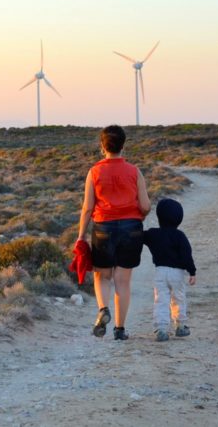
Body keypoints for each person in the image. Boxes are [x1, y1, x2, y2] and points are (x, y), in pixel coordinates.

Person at [75, 125, 151, 340]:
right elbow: (145, 206)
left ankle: (102, 309)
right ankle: (120, 329)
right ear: (123, 145)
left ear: (102, 146)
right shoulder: (135, 172)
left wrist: (81, 235)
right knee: (123, 281)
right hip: (131, 229)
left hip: (103, 229)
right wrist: (141, 213)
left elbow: (87, 207)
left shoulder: (94, 172)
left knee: (102, 275)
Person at [143, 197, 197, 341]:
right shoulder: (180, 236)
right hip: (177, 274)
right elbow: (187, 255)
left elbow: (140, 236)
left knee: (161, 299)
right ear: (179, 219)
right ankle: (180, 326)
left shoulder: (153, 234)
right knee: (178, 298)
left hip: (160, 272)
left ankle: (161, 329)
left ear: (159, 216)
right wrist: (192, 272)